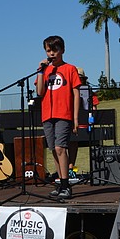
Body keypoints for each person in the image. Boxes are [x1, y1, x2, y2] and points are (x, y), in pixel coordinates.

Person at [35, 35, 82, 200]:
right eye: (48, 50)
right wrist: (40, 72)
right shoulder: (45, 71)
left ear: (62, 50)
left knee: (61, 148)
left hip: (64, 114)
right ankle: (60, 183)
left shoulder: (70, 69)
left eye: (54, 50)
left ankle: (66, 184)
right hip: (47, 114)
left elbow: (76, 94)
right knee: (54, 149)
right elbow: (39, 92)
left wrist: (75, 118)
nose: (51, 53)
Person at [68, 66, 100, 177]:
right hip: (72, 125)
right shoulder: (68, 91)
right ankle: (70, 169)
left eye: (79, 78)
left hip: (86, 125)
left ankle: (96, 170)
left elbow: (95, 108)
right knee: (72, 141)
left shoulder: (89, 91)